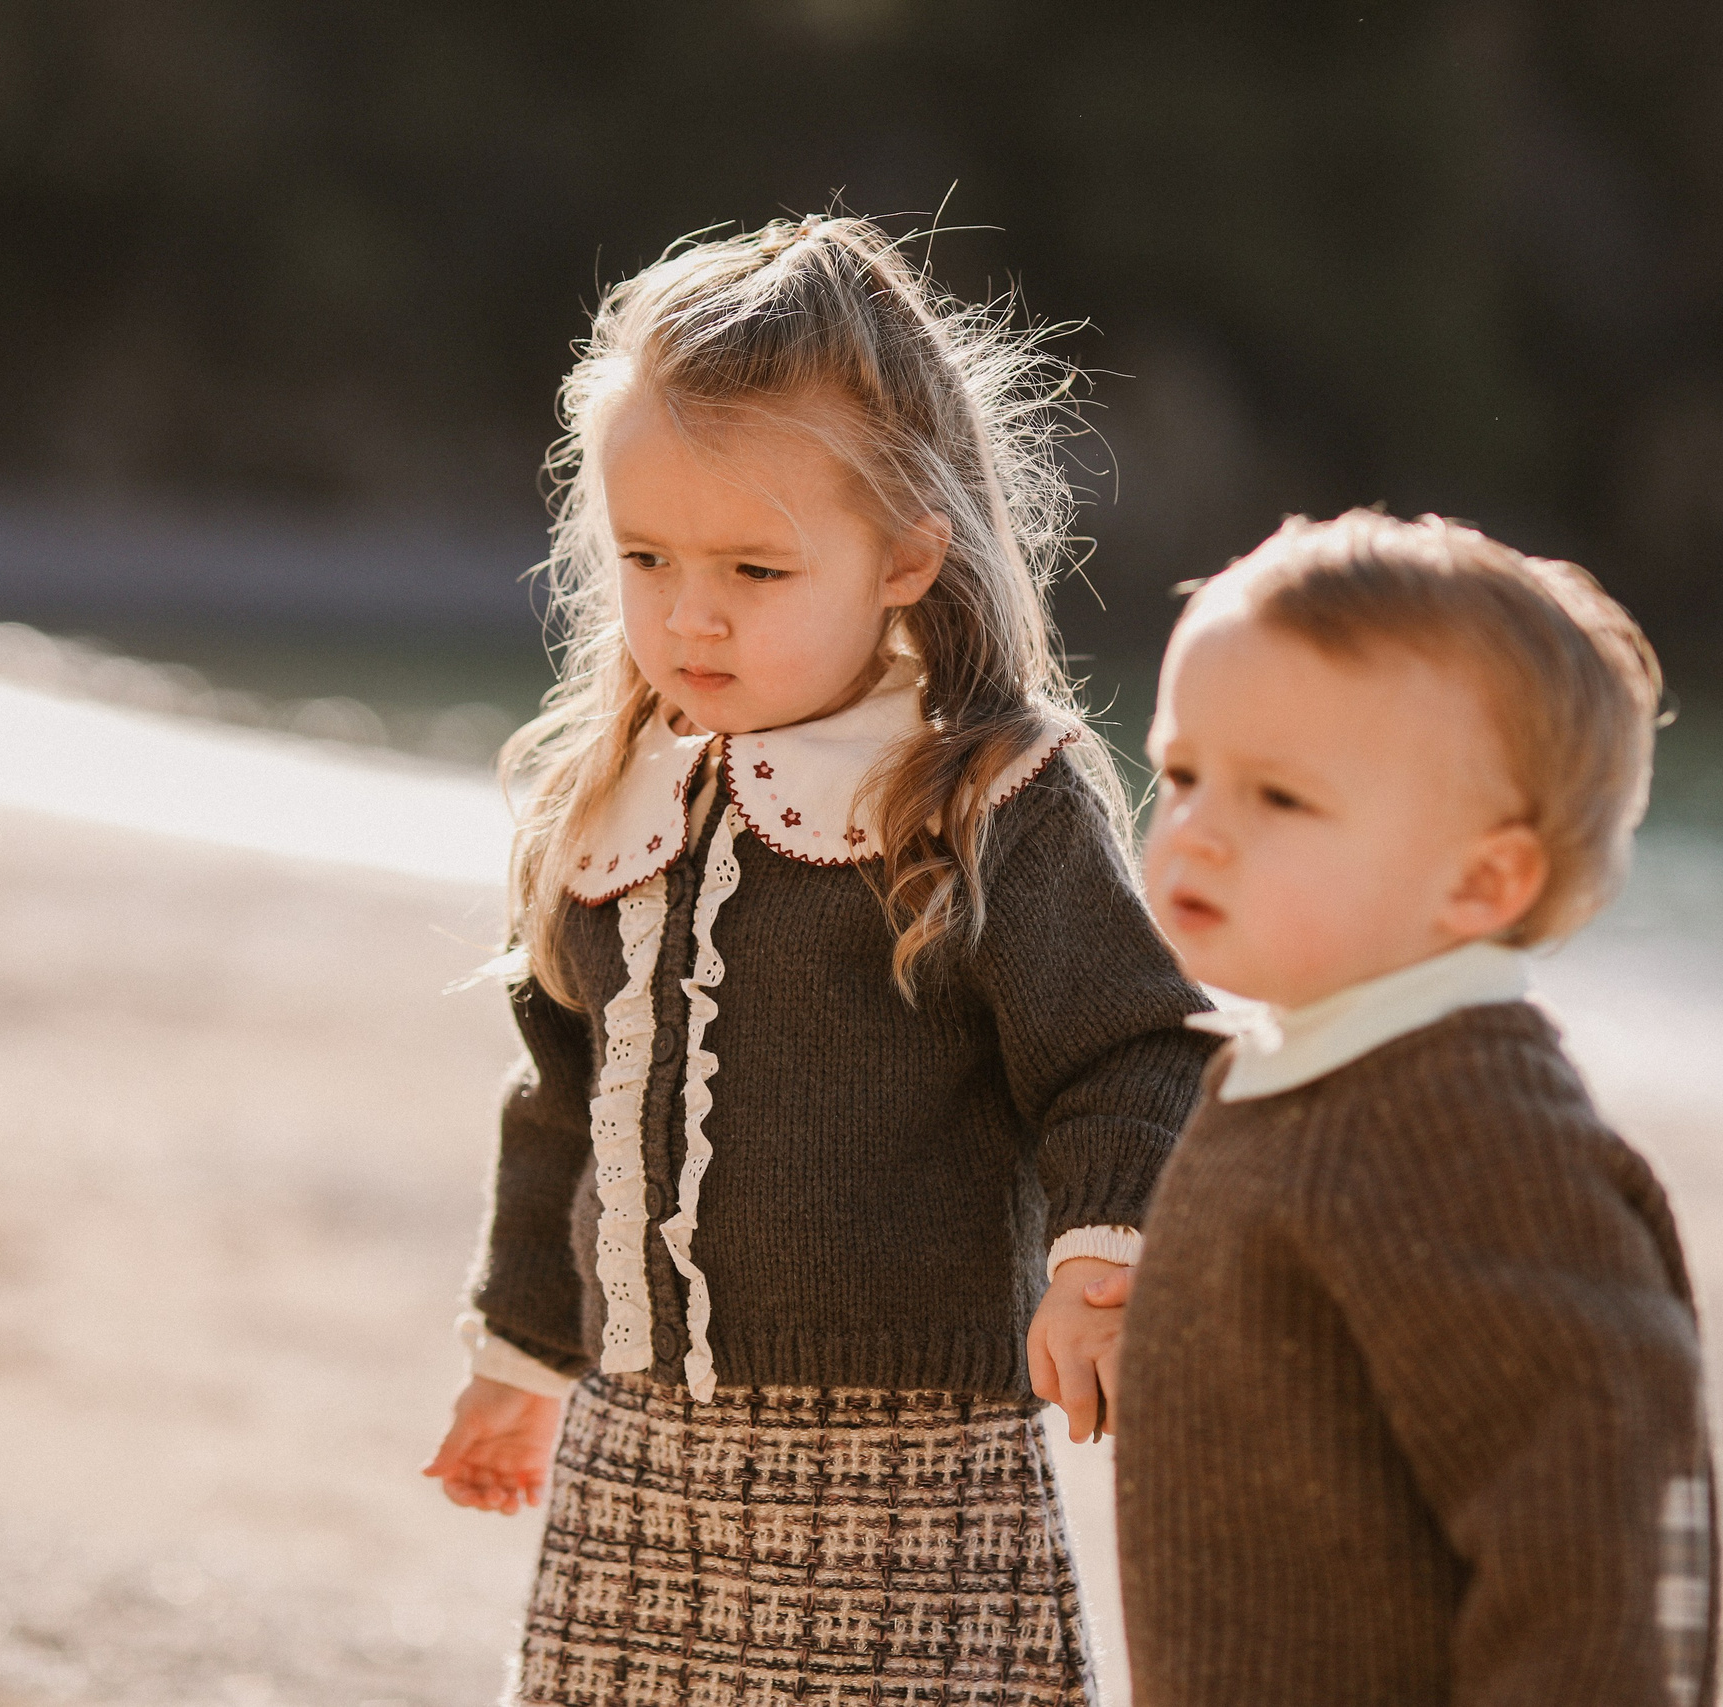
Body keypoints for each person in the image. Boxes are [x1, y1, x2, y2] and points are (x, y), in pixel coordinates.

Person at [420, 215, 1212, 1707]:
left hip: (906, 1452)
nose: (687, 610)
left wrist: (1105, 1254)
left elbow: (1132, 1045)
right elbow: (563, 1101)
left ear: (910, 551)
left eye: (755, 568)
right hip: (640, 1439)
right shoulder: (619, 791)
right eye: (644, 556)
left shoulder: (978, 790)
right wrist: (519, 1358)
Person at [1108, 510, 1719, 1705]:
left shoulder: (1473, 1137)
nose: (1196, 830)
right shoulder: (1307, 1070)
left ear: (1482, 881)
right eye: (1181, 773)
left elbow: (1604, 1536)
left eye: (1278, 798)